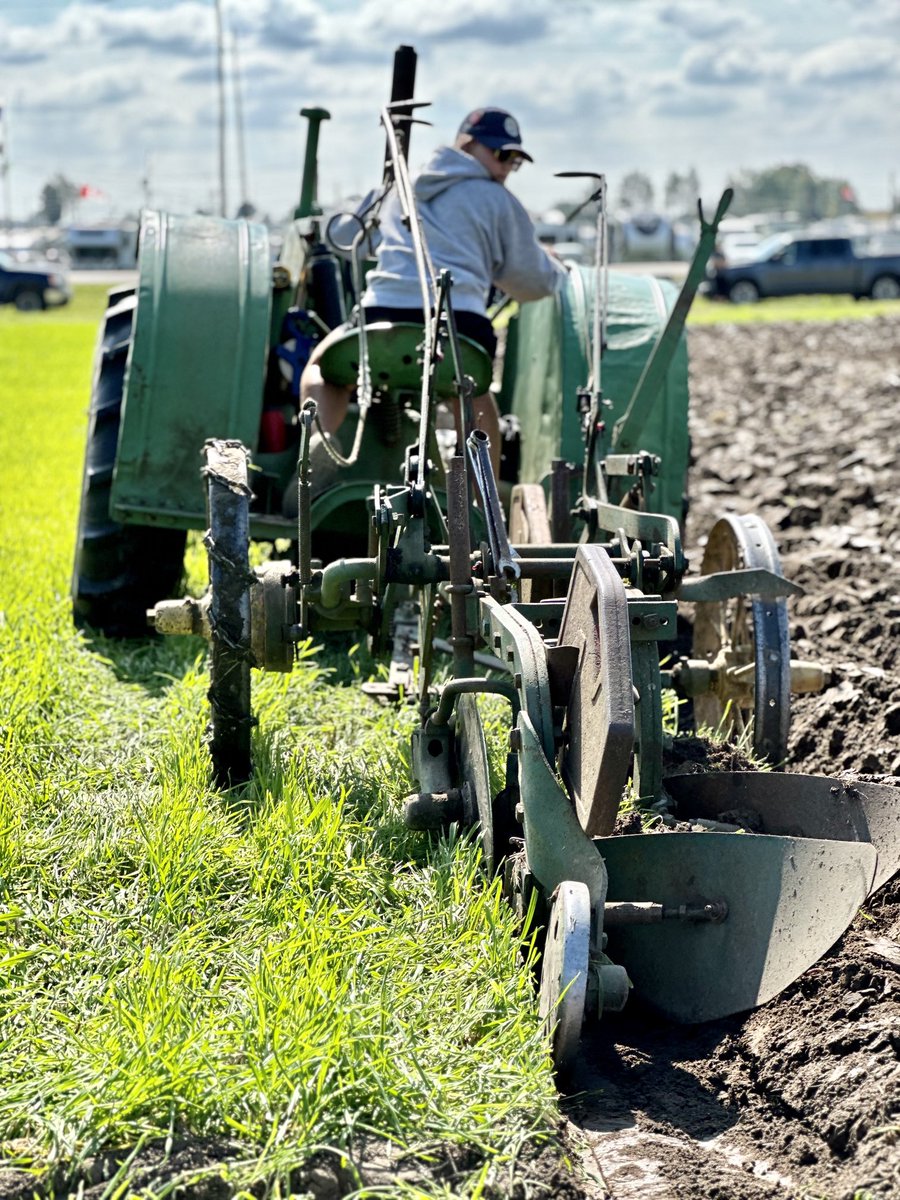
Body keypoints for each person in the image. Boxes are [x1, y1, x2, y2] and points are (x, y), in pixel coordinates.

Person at [300, 107, 566, 476]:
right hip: (459, 326)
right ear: (467, 145)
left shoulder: (399, 188)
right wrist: (557, 270)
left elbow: (346, 239)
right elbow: (531, 282)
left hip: (381, 319)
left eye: (516, 161)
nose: (506, 168)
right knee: (473, 398)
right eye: (502, 155)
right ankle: (476, 495)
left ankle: (320, 442)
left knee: (322, 368)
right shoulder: (497, 200)